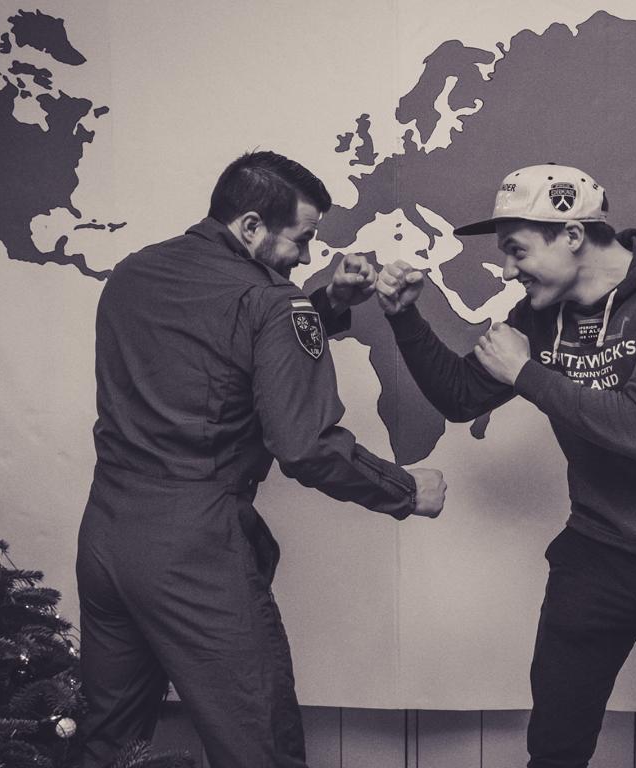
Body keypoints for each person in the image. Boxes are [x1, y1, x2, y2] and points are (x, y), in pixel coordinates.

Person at [376, 164, 636, 767]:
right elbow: (460, 396)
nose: (508, 270)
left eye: (517, 250)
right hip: (595, 553)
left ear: (573, 234)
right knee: (555, 749)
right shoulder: (541, 313)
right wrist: (404, 317)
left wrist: (527, 373)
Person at [77, 150, 447, 768]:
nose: (306, 256)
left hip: (107, 535)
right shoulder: (274, 303)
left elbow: (218, 351)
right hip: (194, 546)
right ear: (251, 226)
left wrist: (331, 300)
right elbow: (305, 446)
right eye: (301, 239)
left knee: (111, 742)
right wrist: (405, 490)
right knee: (259, 747)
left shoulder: (134, 272)